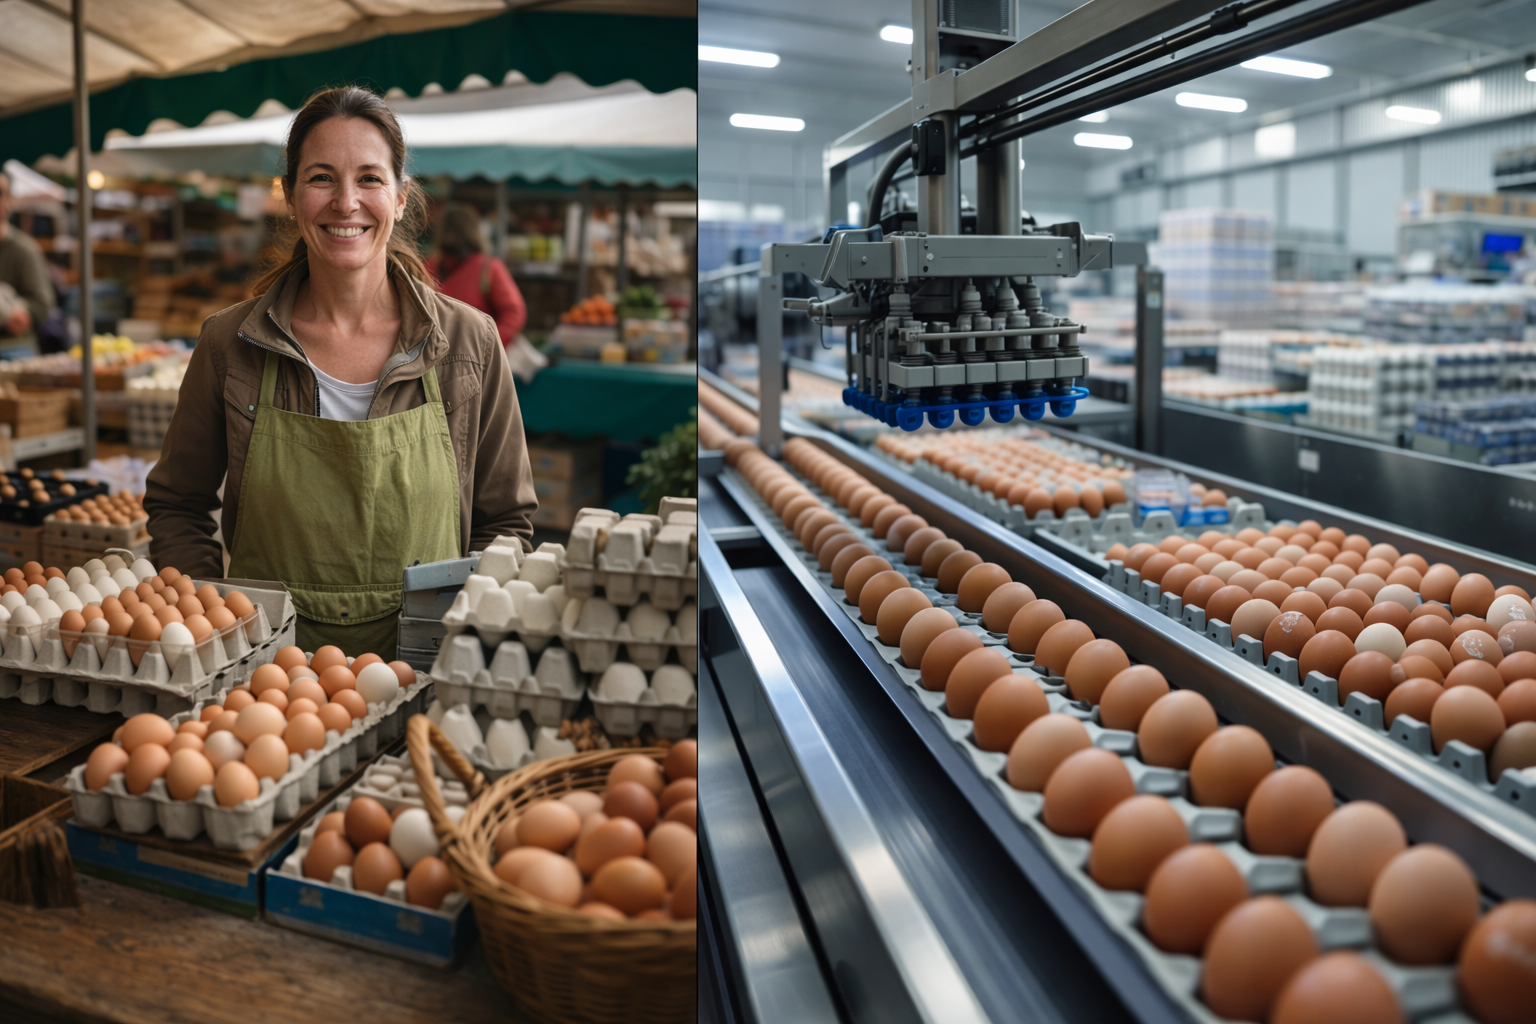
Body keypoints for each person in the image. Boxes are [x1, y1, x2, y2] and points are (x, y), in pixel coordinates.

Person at [145, 86, 539, 658]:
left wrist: (461, 644)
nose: (346, 202)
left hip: (430, 674)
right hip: (263, 687)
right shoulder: (229, 344)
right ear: (290, 194)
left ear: (402, 198)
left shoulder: (467, 344)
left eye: (370, 179)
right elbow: (178, 504)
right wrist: (214, 618)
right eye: (322, 177)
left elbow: (505, 521)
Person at [428, 202, 527, 347]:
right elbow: (514, 313)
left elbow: (513, 313)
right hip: (439, 358)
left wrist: (486, 348)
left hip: (475, 360)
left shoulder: (488, 268)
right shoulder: (430, 266)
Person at [0, 173, 55, 357]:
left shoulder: (24, 250)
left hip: (12, 350)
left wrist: (18, 314)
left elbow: (42, 305)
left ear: (9, 201)